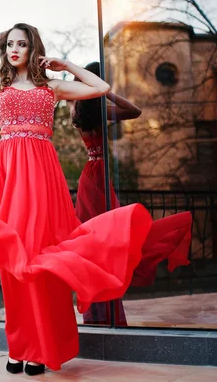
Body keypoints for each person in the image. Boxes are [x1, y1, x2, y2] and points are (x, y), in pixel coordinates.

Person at [0, 23, 185, 375]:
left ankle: (40, 349)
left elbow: (101, 87)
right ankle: (18, 346)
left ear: (33, 47)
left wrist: (65, 66)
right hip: (8, 178)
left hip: (43, 178)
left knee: (44, 261)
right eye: (10, 45)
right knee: (15, 264)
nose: (14, 50)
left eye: (21, 44)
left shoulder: (50, 88)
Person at [68, 62, 193, 326]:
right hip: (101, 177)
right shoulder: (102, 110)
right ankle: (106, 312)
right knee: (113, 242)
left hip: (88, 177)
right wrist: (107, 92)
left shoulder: (75, 109)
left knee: (94, 246)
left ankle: (95, 313)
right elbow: (135, 111)